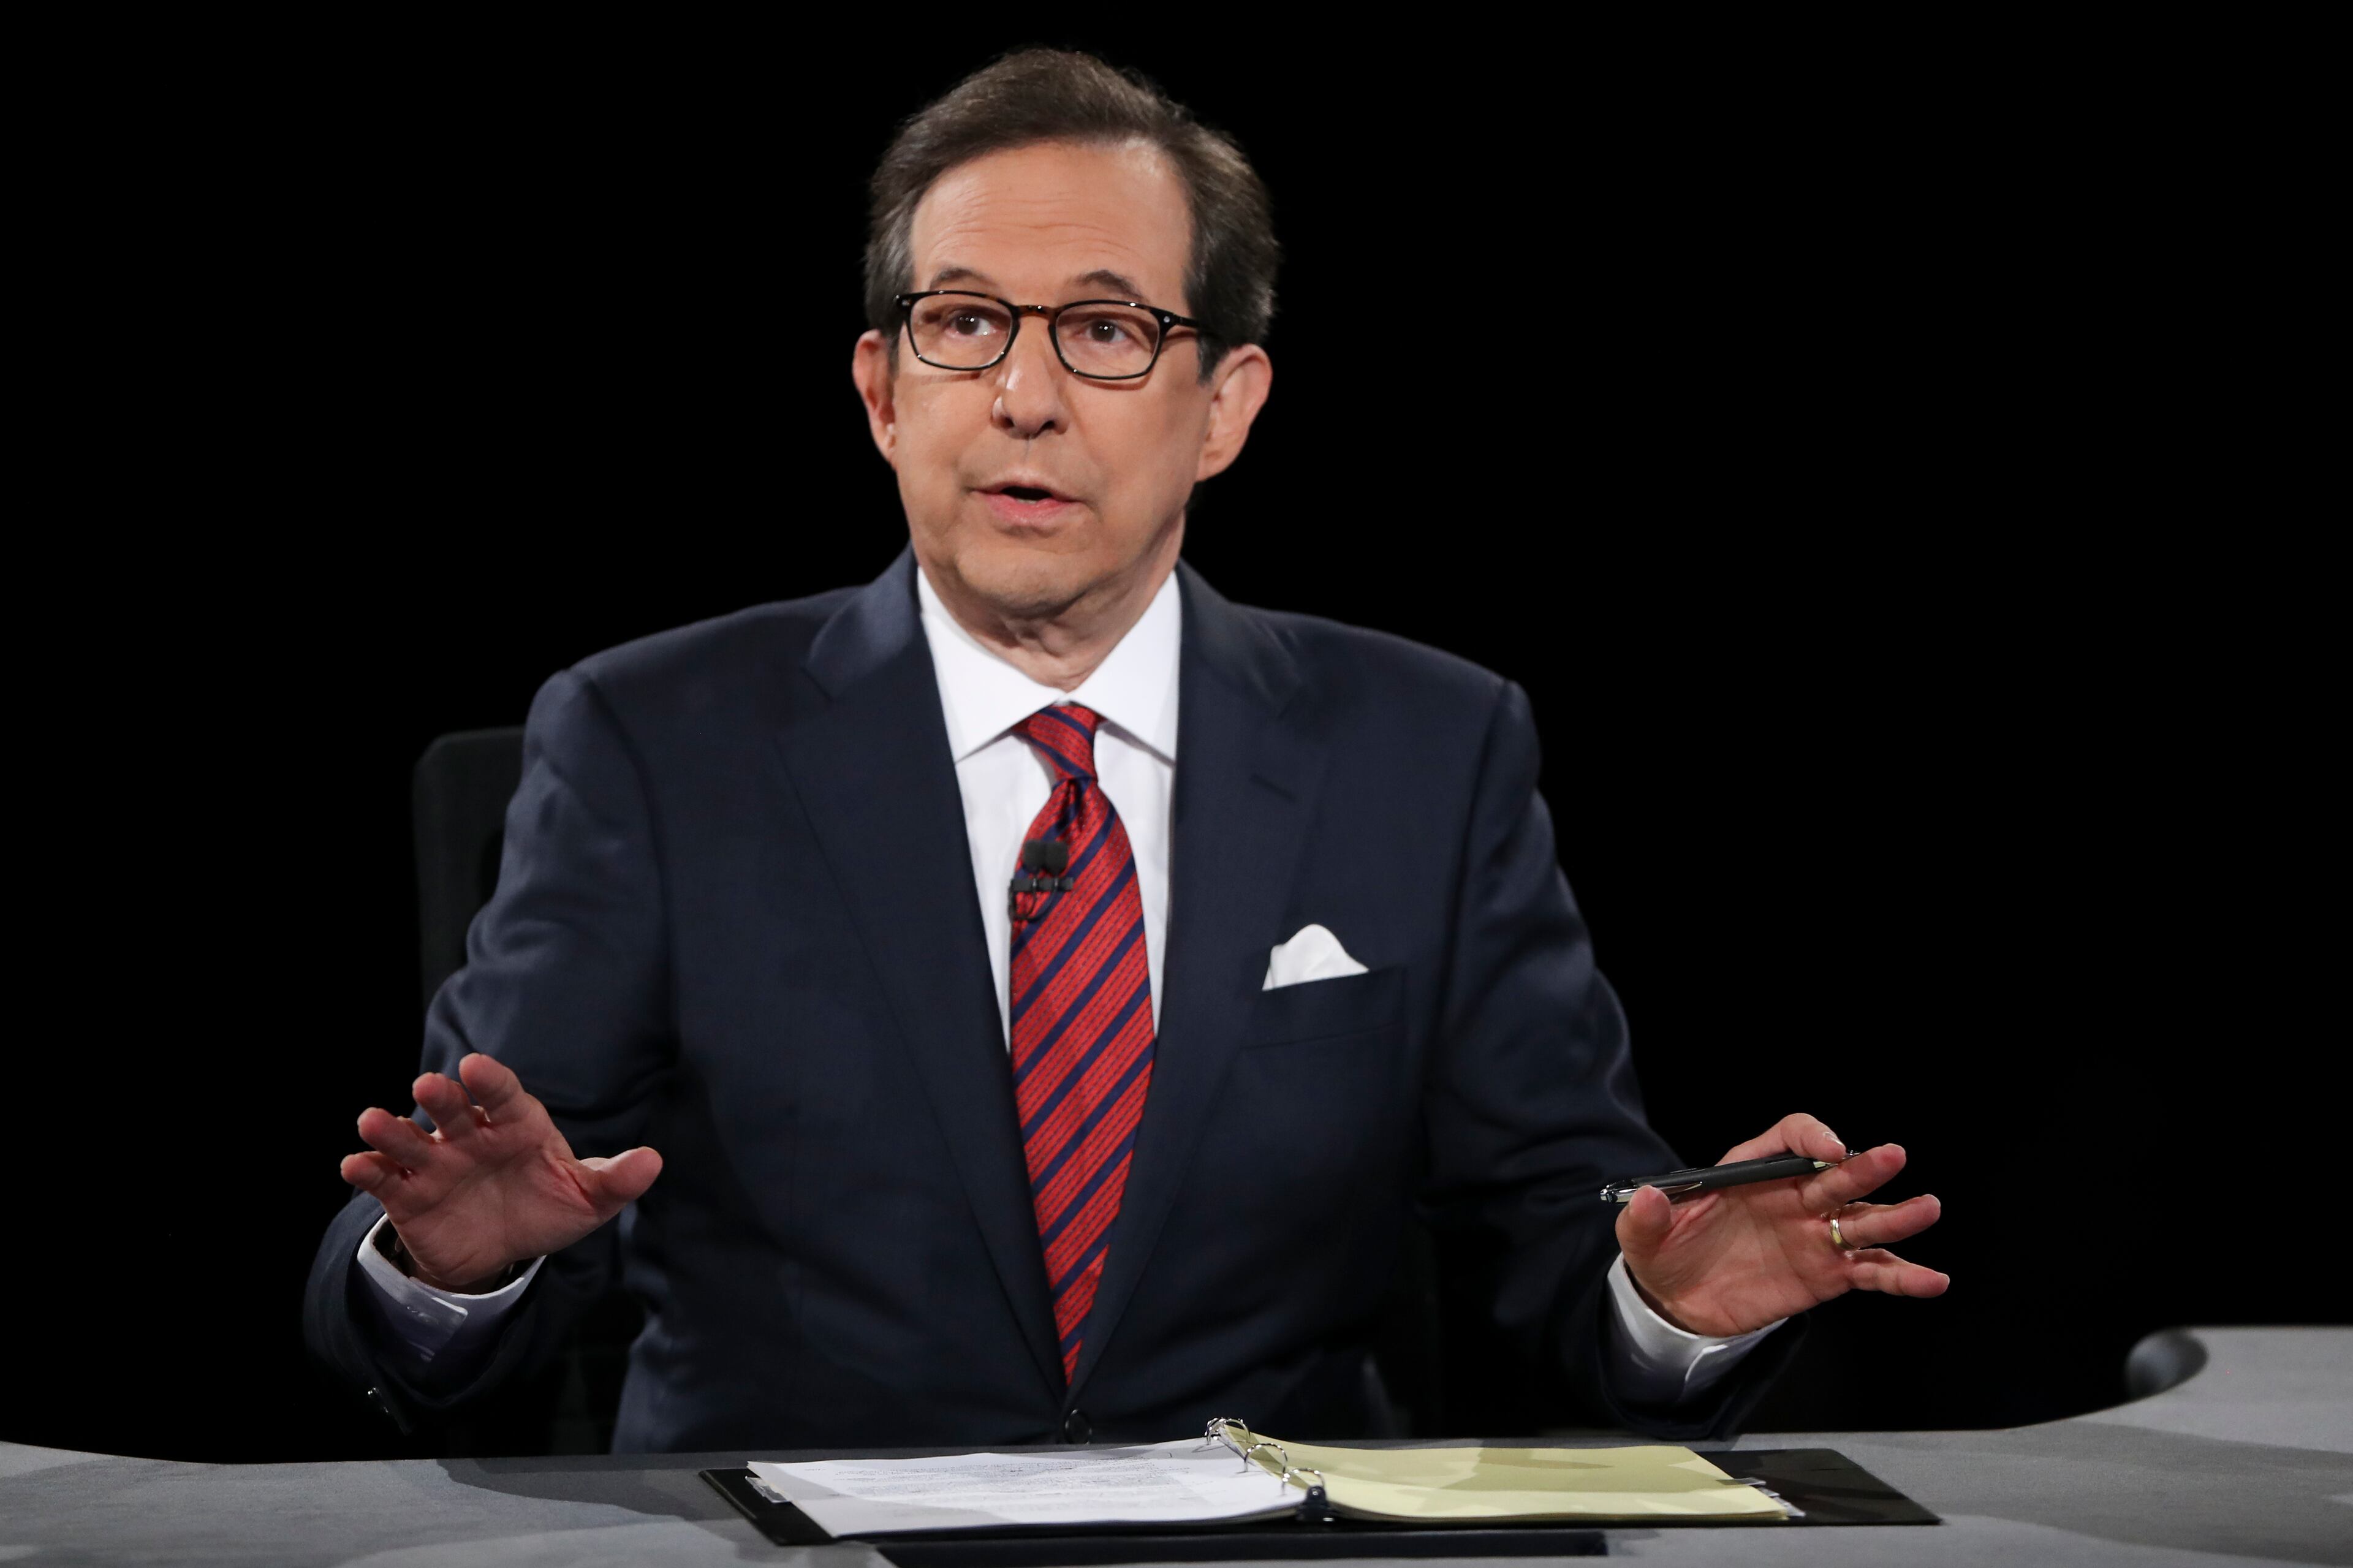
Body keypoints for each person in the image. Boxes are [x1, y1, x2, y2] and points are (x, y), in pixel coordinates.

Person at [305, 48, 1947, 1453]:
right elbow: (482, 1239)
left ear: (1226, 406)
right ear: (883, 394)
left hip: (1277, 1555)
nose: (1022, 397)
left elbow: (1558, 1230)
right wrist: (459, 1265)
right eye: (962, 326)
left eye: (1102, 333)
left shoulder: (1427, 751)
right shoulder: (655, 743)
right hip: (797, 1551)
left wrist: (1663, 1303)